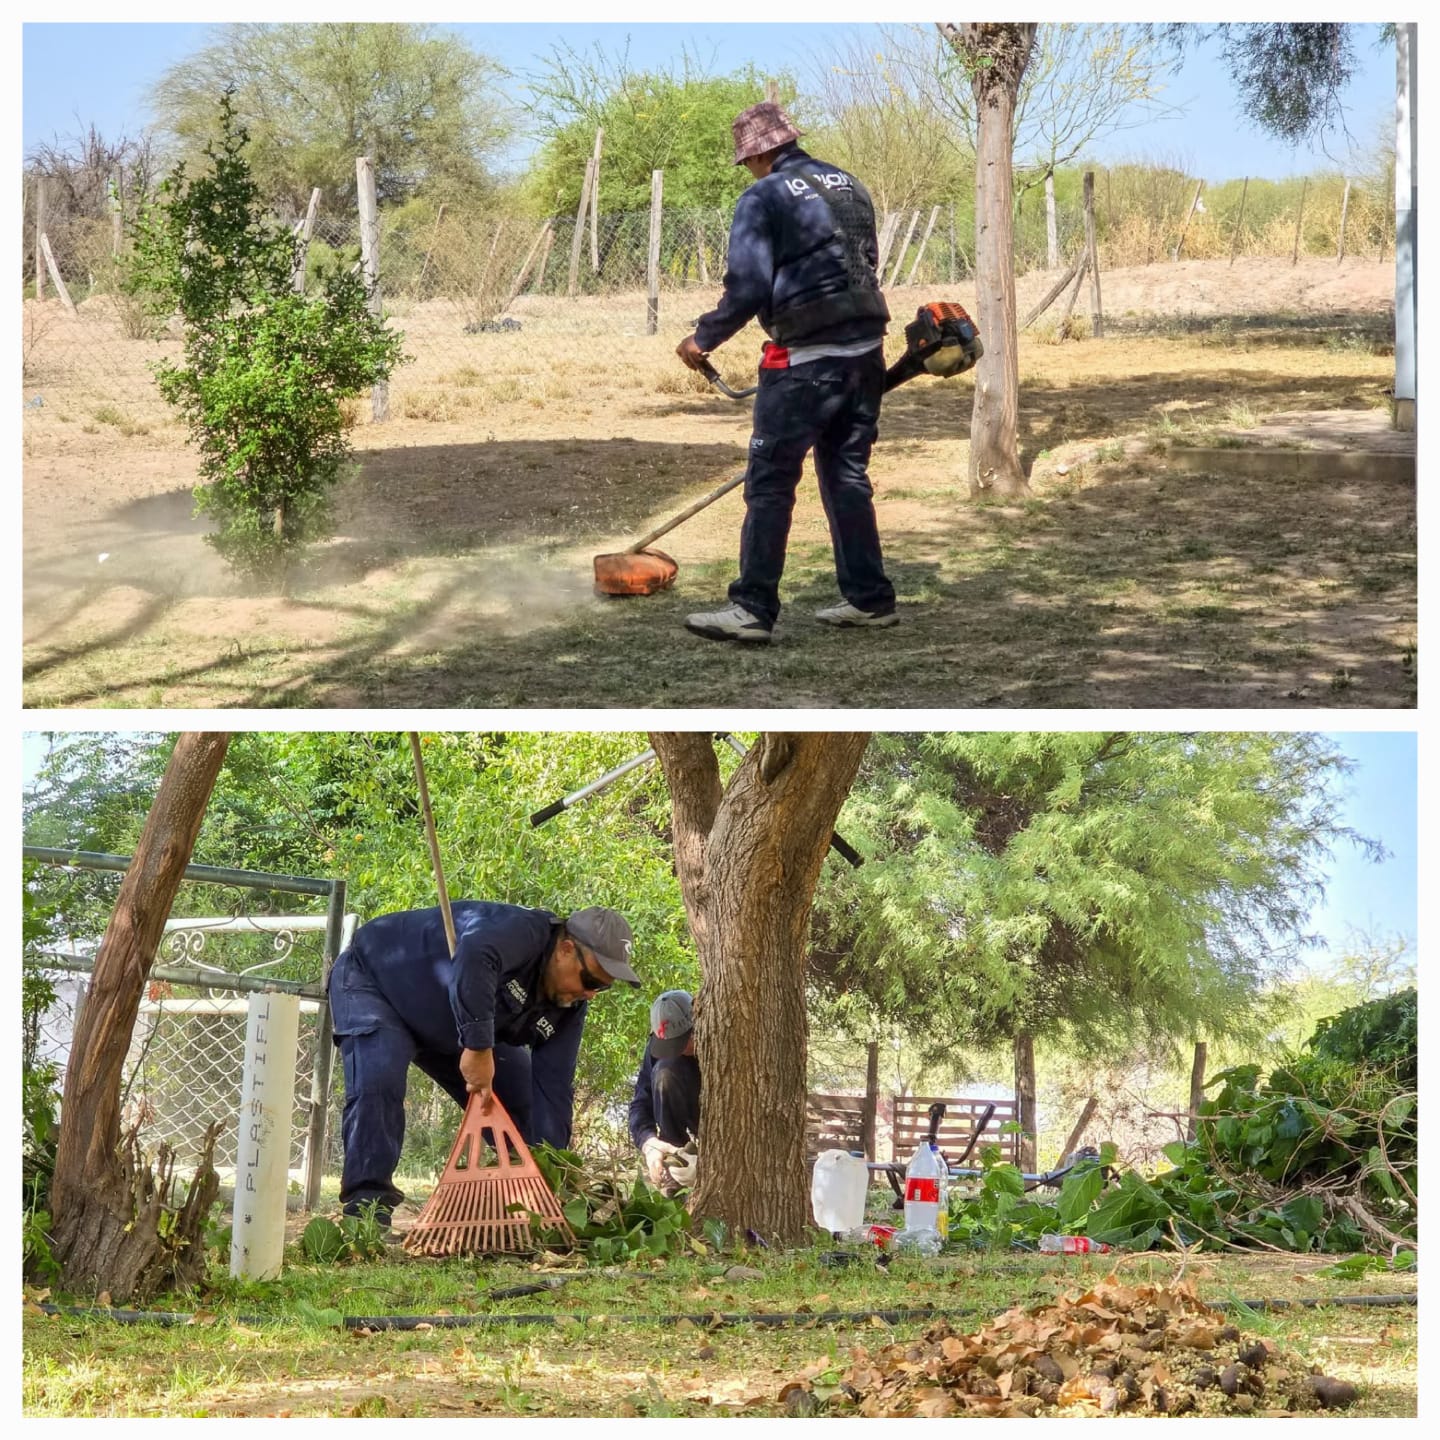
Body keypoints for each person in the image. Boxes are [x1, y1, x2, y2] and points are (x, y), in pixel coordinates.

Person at [676, 100, 898, 645]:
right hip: (866, 351)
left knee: (771, 481)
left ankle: (751, 608)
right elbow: (865, 261)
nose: (748, 171)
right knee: (847, 475)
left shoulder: (764, 196)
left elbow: (748, 286)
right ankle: (869, 599)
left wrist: (702, 338)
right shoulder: (849, 185)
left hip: (805, 359)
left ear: (758, 154)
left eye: (747, 162)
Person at [327, 901, 640, 1226]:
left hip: (451, 1023)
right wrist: (477, 1046)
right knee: (379, 1079)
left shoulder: (570, 1008)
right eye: (591, 981)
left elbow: (554, 1090)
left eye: (603, 987)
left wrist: (555, 1168)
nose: (592, 994)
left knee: (526, 1106)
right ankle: (366, 1215)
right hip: (377, 985)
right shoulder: (522, 932)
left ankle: (530, 1203)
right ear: (565, 949)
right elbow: (476, 951)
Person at [629, 990, 702, 1192]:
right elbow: (641, 1103)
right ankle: (676, 1159)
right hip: (682, 1129)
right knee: (665, 1072)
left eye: (683, 1042)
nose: (677, 1050)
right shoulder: (658, 1049)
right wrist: (649, 1143)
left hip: (720, 1114)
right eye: (670, 1046)